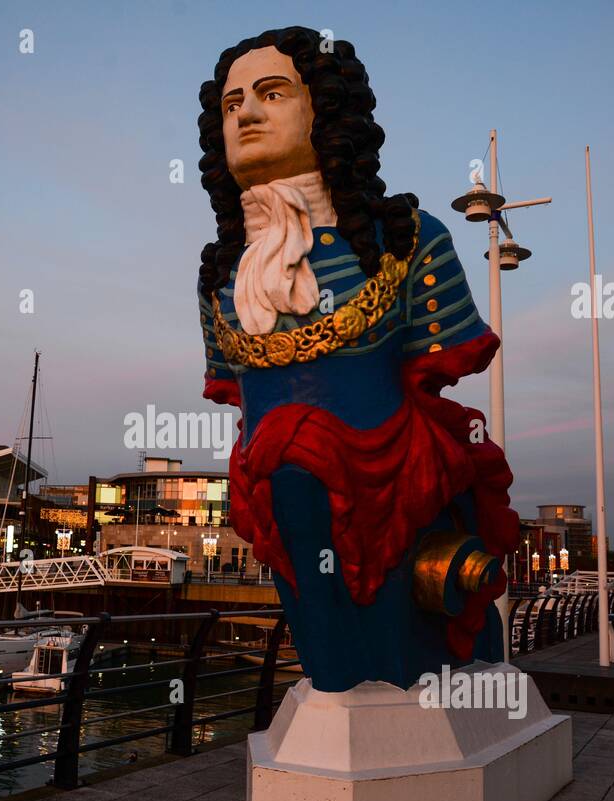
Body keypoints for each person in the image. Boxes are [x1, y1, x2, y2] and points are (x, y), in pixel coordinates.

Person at [197, 27, 518, 691]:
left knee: (301, 461)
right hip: (274, 485)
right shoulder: (218, 277)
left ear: (326, 110)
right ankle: (336, 674)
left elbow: (432, 371)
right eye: (231, 105)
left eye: (271, 93)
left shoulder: (409, 239)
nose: (247, 114)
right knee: (287, 470)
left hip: (389, 468)